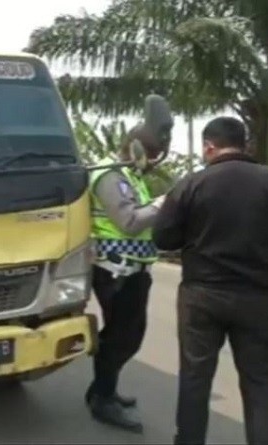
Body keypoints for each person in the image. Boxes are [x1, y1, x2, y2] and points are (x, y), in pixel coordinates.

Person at [152, 117, 268, 445]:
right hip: (260, 299)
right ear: (245, 145)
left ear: (208, 146)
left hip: (202, 297)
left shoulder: (191, 184)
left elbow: (163, 238)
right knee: (261, 382)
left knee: (195, 378)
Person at [85, 126, 169, 432]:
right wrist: (164, 203)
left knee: (128, 335)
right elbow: (130, 221)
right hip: (115, 271)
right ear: (135, 148)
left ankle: (102, 389)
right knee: (121, 336)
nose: (155, 161)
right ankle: (102, 399)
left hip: (133, 270)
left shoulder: (129, 176)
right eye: (153, 154)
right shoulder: (111, 176)